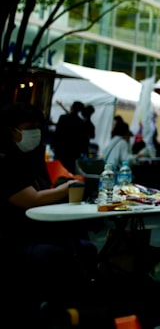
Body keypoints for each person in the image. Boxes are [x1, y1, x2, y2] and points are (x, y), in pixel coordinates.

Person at [0, 103, 97, 323]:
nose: (35, 132)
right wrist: (68, 188)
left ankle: (75, 314)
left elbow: (45, 191)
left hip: (39, 230)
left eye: (38, 127)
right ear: (11, 130)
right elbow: (30, 200)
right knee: (59, 255)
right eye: (29, 126)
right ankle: (58, 314)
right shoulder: (5, 161)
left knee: (85, 247)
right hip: (14, 237)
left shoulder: (32, 157)